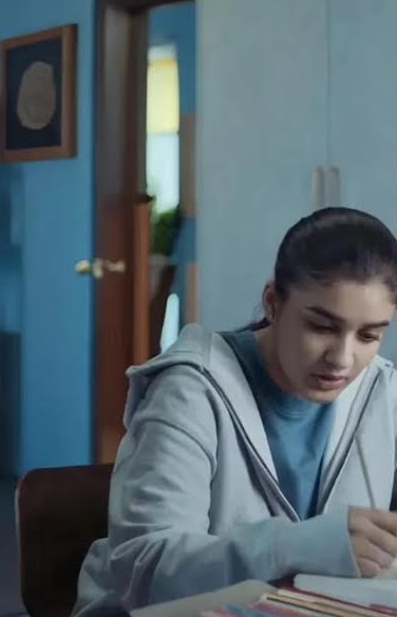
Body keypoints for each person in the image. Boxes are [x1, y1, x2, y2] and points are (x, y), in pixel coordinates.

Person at [72, 207, 397, 615]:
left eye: (369, 335)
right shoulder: (189, 391)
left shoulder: (383, 391)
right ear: (273, 303)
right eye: (321, 327)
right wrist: (301, 545)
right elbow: (146, 572)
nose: (343, 360)